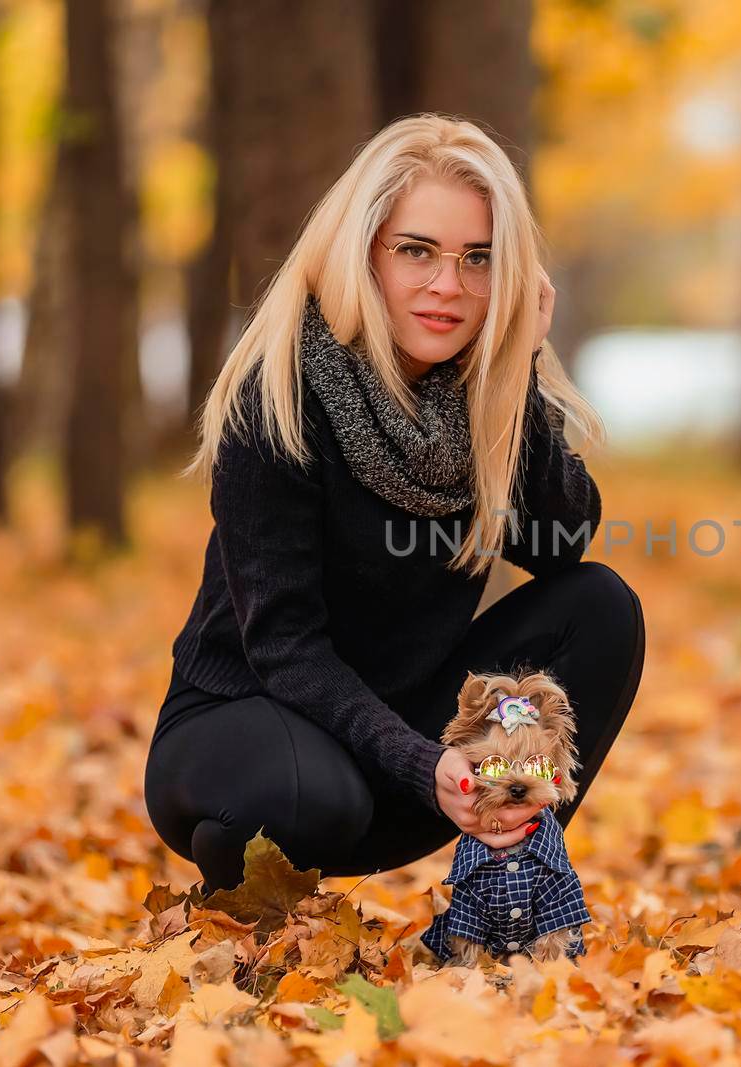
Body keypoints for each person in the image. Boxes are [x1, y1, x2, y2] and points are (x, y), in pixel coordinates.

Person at [143, 113, 646, 893]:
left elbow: (559, 543)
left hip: (405, 747)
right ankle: (243, 908)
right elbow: (284, 647)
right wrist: (428, 763)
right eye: (417, 251)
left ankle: (503, 884)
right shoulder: (277, 395)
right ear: (364, 251)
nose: (448, 286)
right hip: (248, 722)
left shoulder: (476, 398)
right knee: (312, 796)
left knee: (601, 605)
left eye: (479, 260)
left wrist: (520, 364)